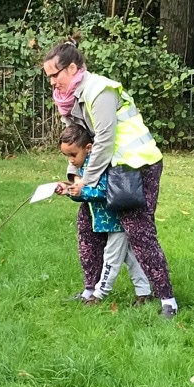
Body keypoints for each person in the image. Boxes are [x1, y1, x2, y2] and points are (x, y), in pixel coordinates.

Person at [42, 42, 178, 316]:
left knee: (138, 232)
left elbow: (103, 140)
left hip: (137, 166)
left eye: (55, 75)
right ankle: (90, 291)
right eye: (49, 78)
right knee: (87, 226)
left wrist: (87, 182)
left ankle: (167, 300)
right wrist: (74, 177)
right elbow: (77, 143)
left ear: (72, 68)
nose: (53, 83)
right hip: (108, 168)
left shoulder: (99, 90)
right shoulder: (68, 100)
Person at [61, 117, 152, 304]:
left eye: (73, 154)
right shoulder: (85, 166)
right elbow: (86, 194)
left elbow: (105, 190)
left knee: (111, 257)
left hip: (116, 220)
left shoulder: (99, 165)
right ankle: (144, 292)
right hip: (106, 221)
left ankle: (99, 293)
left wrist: (82, 189)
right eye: (66, 156)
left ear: (88, 148)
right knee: (130, 257)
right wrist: (69, 191)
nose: (71, 160)